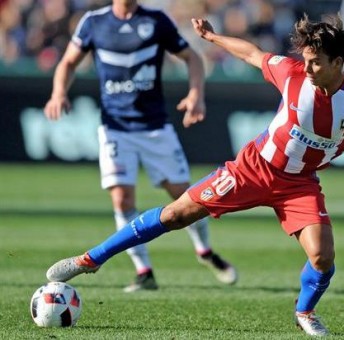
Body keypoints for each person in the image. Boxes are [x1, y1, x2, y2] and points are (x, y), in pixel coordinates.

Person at [45, 14, 344, 336]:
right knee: (176, 215)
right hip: (253, 169)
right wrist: (213, 36)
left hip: (299, 186)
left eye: (316, 62)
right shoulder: (293, 73)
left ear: (337, 62)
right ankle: (89, 260)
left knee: (323, 259)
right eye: (306, 60)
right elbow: (254, 53)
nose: (308, 68)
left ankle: (305, 312)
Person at [43, 0, 237, 293]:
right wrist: (59, 92)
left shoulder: (156, 20)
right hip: (115, 128)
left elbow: (192, 58)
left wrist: (196, 94)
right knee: (122, 199)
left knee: (185, 198)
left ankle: (204, 251)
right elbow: (68, 61)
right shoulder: (93, 22)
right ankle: (144, 272)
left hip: (155, 127)